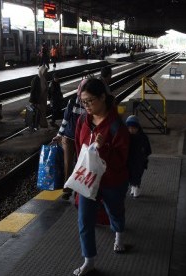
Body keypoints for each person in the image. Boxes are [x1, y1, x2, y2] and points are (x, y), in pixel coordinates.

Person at [73, 78, 130, 276]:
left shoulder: (116, 127)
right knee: (84, 219)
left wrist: (103, 148)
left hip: (112, 181)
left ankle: (119, 234)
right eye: (83, 102)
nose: (86, 106)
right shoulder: (82, 121)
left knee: (115, 211)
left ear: (103, 97)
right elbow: (78, 149)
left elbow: (121, 160)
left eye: (90, 101)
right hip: (89, 180)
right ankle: (89, 260)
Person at [53, 79, 87, 200]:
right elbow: (65, 119)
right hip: (68, 138)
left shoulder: (89, 103)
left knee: (80, 163)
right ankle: (67, 190)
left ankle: (78, 190)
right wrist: (59, 134)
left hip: (82, 139)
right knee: (68, 164)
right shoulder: (72, 101)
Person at [125, 115, 151, 198]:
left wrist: (144, 157)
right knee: (132, 175)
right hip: (132, 161)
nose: (131, 130)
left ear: (137, 128)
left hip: (138, 162)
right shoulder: (140, 137)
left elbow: (147, 150)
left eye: (133, 128)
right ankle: (134, 188)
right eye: (129, 128)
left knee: (136, 175)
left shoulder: (141, 138)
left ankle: (135, 189)